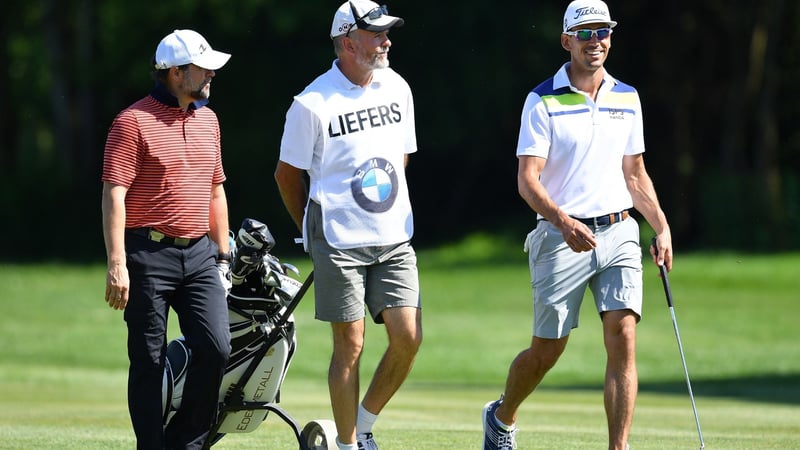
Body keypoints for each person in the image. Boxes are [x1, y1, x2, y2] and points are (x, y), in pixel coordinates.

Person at [482, 1, 673, 449]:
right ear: (567, 40)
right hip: (560, 236)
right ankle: (501, 415)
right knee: (547, 350)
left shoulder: (627, 97)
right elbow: (527, 181)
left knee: (623, 335)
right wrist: (563, 222)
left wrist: (660, 226)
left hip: (619, 231)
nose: (595, 41)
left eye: (602, 31)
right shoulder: (542, 99)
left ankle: (618, 446)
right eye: (584, 33)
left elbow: (635, 174)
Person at [274, 2, 422, 449]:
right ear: (347, 42)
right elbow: (286, 175)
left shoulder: (397, 87)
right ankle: (348, 444)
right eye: (377, 34)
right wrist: (309, 230)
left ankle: (363, 424)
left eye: (386, 33)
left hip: (393, 234)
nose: (386, 41)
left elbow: (403, 155)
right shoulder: (312, 103)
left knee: (408, 336)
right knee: (351, 344)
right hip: (336, 235)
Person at [101, 29, 234, 449]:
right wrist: (117, 262)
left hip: (198, 255)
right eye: (203, 67)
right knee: (149, 360)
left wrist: (224, 256)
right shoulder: (132, 122)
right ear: (176, 73)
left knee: (216, 347)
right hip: (146, 254)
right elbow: (114, 192)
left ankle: (186, 443)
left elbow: (215, 189)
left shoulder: (208, 119)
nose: (211, 73)